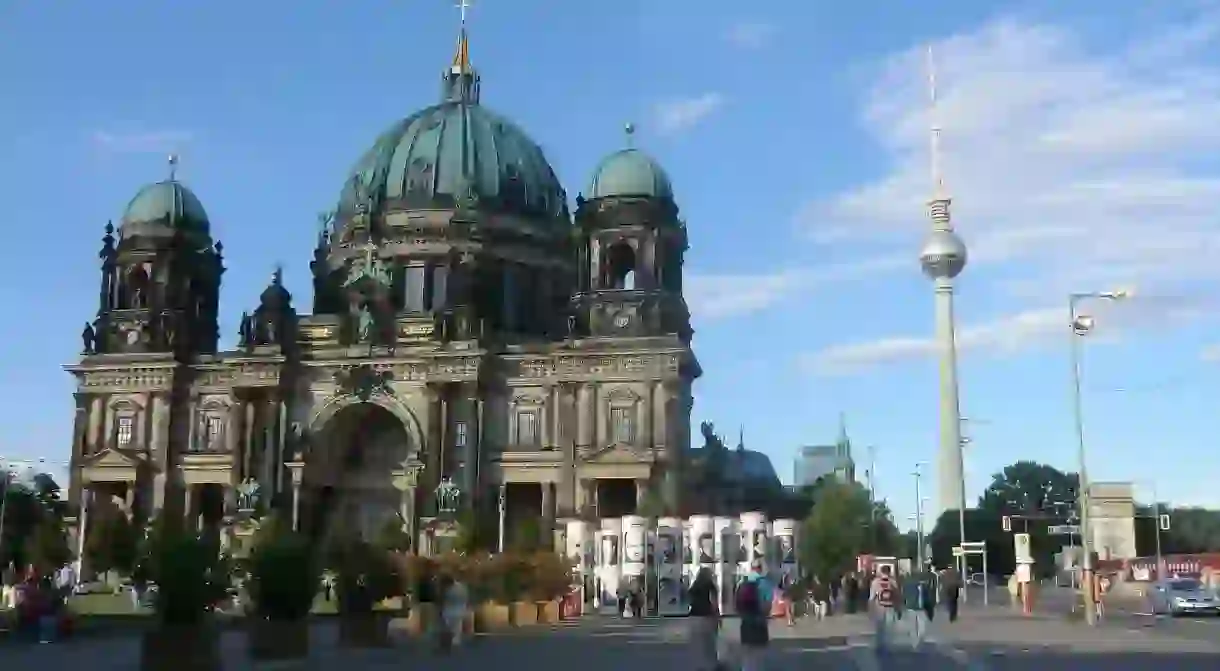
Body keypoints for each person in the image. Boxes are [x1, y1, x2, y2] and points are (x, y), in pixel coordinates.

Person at [737, 560, 774, 671]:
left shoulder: (742, 582)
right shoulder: (765, 583)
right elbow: (768, 605)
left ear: (751, 568)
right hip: (759, 622)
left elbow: (737, 604)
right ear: (760, 568)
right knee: (759, 655)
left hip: (746, 622)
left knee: (747, 654)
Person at [686, 567, 719, 671]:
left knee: (696, 644)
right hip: (706, 616)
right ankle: (710, 666)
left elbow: (689, 600)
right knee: (709, 644)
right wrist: (716, 616)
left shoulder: (694, 586)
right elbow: (714, 603)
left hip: (694, 617)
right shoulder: (711, 586)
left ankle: (698, 666)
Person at [870, 565, 900, 656]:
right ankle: (888, 648)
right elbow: (897, 596)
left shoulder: (875, 582)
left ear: (881, 571)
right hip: (890, 607)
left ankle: (879, 646)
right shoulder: (893, 582)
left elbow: (872, 597)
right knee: (889, 629)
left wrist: (870, 610)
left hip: (879, 607)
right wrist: (898, 608)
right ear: (889, 572)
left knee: (879, 629)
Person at [902, 572, 930, 649]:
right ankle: (915, 643)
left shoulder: (923, 587)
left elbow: (927, 598)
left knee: (919, 627)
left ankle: (918, 641)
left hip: (919, 608)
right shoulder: (910, 586)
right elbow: (904, 595)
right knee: (913, 627)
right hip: (912, 607)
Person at [441, 574, 469, 648]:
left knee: (456, 626)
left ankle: (454, 641)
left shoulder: (456, 588)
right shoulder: (460, 587)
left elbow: (464, 597)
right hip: (454, 609)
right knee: (454, 626)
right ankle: (453, 640)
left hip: (455, 609)